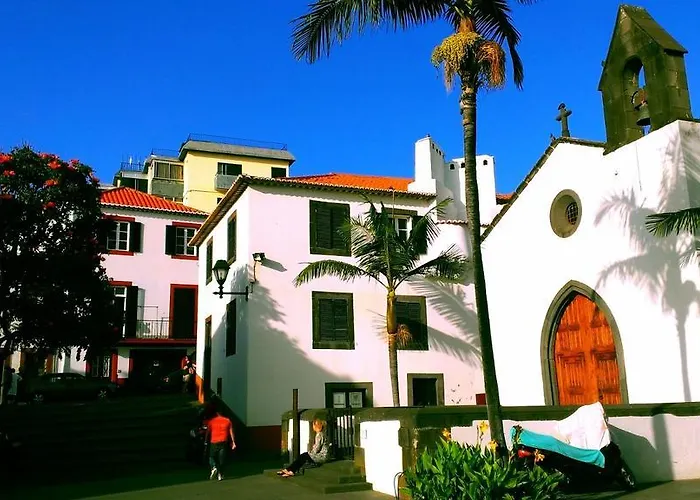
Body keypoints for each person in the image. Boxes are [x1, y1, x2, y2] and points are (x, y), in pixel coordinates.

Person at [205, 404, 236, 481]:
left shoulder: (212, 421)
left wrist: (205, 441)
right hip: (223, 441)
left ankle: (214, 466)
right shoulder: (227, 421)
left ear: (216, 413)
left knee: (211, 456)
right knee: (222, 459)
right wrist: (233, 442)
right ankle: (220, 474)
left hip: (214, 441)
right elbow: (231, 432)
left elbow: (208, 432)